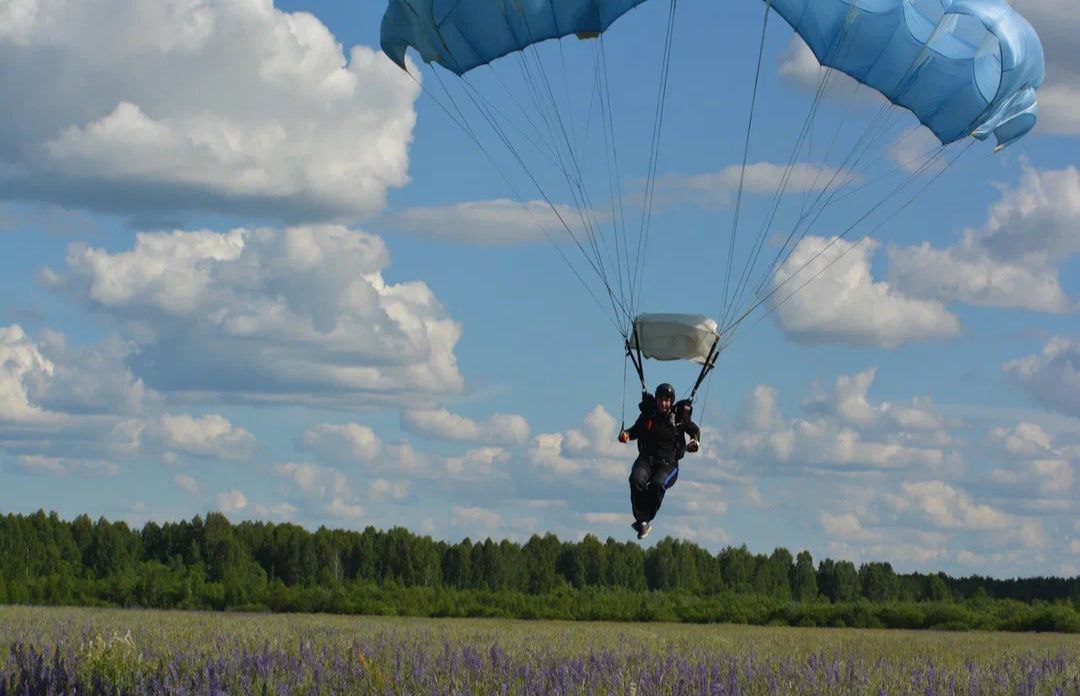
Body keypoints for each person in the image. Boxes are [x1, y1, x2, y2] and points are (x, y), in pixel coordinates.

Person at [618, 383, 700, 539]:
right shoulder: (649, 415)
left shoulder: (679, 418)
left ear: (671, 401)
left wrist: (694, 442)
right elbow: (635, 430)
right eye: (661, 400)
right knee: (636, 479)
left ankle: (645, 518)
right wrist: (626, 434)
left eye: (667, 400)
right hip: (647, 460)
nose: (664, 403)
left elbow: (695, 431)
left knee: (657, 484)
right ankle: (641, 521)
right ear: (656, 400)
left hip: (668, 465)